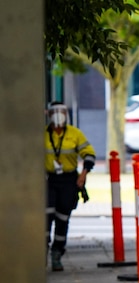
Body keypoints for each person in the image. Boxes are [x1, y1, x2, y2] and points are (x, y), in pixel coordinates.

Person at [44, 102, 96, 271]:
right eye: (55, 112)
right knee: (46, 216)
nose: (58, 115)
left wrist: (83, 175)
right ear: (48, 114)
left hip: (68, 181)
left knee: (62, 217)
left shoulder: (74, 134)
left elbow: (89, 154)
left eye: (62, 112)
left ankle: (57, 252)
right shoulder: (43, 134)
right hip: (48, 180)